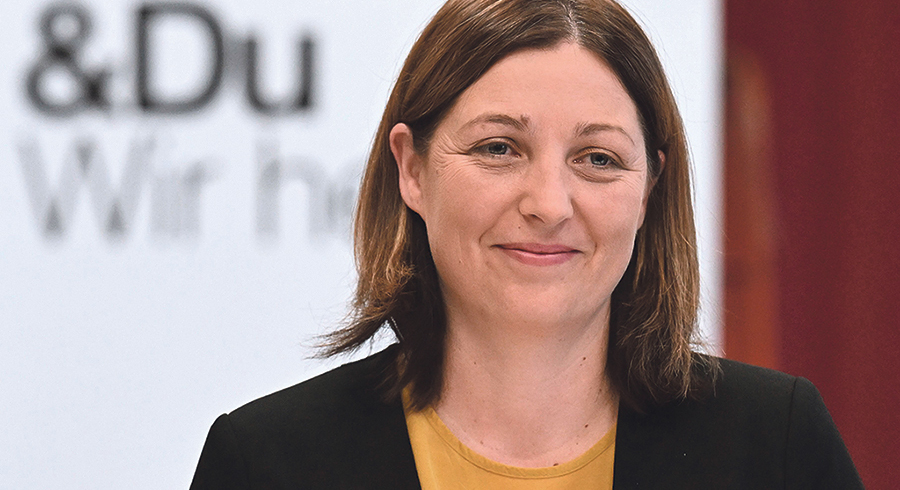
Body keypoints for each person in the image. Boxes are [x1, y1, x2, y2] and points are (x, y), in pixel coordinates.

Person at [189, 0, 864, 488]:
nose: (548, 204)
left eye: (597, 159)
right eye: (499, 148)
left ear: (648, 190)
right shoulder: (267, 463)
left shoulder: (776, 448)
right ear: (412, 170)